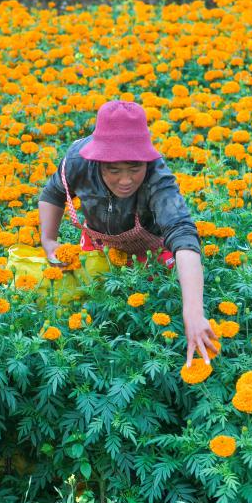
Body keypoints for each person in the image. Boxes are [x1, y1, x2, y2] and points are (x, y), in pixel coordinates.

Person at [38, 99, 218, 368]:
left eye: (135, 169)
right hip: (99, 241)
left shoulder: (158, 176)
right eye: (114, 170)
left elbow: (182, 234)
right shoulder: (78, 160)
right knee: (93, 304)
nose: (125, 180)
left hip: (152, 248)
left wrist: (193, 311)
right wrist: (48, 239)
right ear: (98, 161)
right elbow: (52, 193)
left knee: (153, 306)